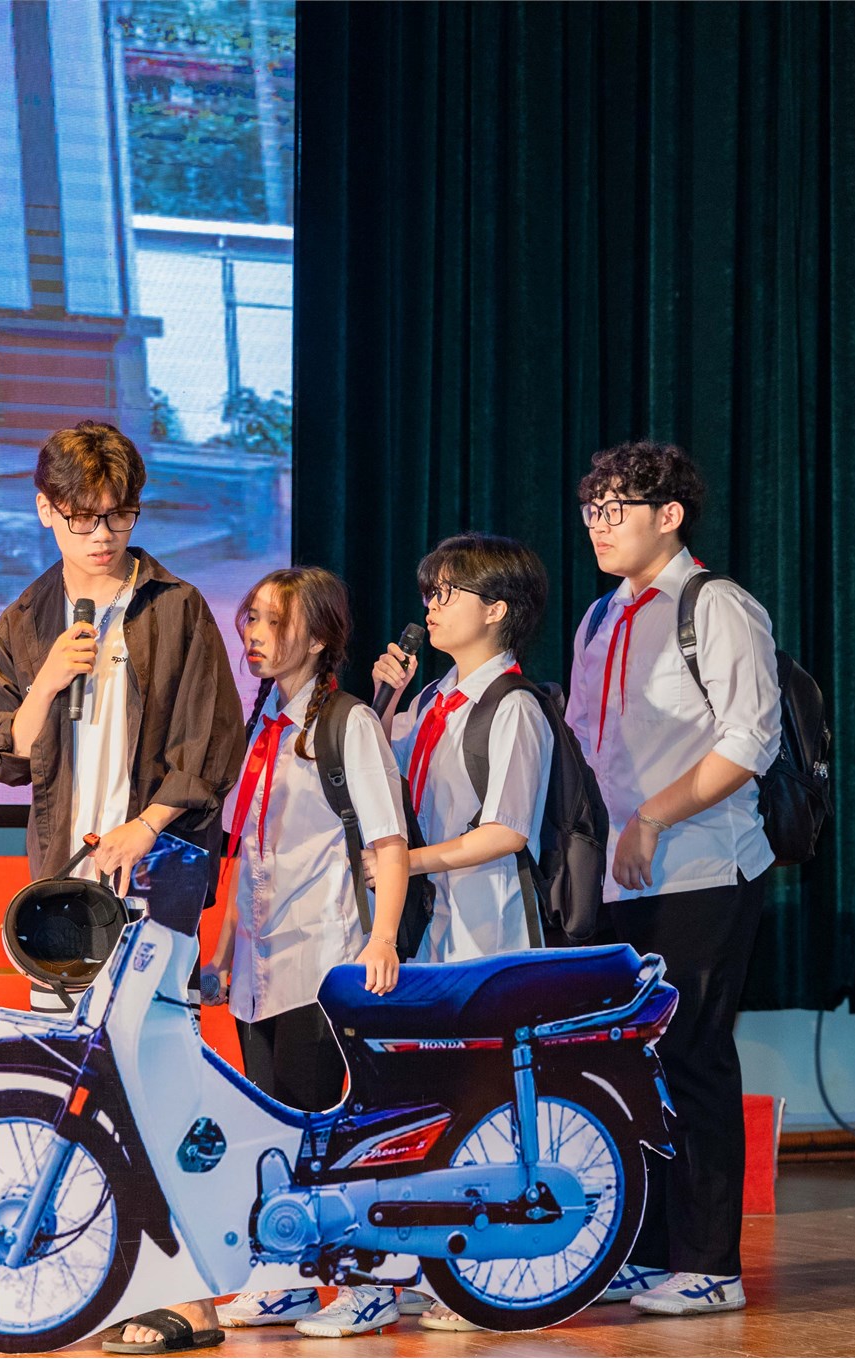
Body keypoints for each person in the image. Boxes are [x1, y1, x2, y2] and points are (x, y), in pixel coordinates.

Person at [128, 567, 414, 1350]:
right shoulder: (261, 724)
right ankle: (286, 1273)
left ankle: (367, 1283)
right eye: (250, 618)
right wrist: (222, 949)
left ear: (317, 637)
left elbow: (389, 842)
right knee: (274, 1126)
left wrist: (383, 939)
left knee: (331, 1125)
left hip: (326, 958)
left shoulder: (349, 723)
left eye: (271, 621)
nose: (252, 634)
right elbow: (248, 852)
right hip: (261, 965)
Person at [565, 440, 783, 1317]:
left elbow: (750, 739)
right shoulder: (596, 618)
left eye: (616, 509)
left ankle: (711, 1263)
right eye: (591, 510)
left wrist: (653, 815)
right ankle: (648, 1251)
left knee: (692, 1055)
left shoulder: (716, 605)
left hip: (701, 866)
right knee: (628, 1067)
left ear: (670, 515)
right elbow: (583, 743)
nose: (599, 526)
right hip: (616, 880)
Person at [367, 532, 553, 1333]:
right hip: (440, 929)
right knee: (442, 1098)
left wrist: (407, 862)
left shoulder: (514, 708)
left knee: (493, 1102)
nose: (431, 606)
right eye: (430, 592)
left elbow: (507, 830)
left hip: (496, 933)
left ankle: (492, 1275)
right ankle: (440, 1261)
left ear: (498, 610)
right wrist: (384, 702)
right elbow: (376, 783)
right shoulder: (431, 702)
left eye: (448, 592)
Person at [0, 420, 246, 891]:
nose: (102, 535)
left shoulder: (176, 607)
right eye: (83, 518)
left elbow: (211, 743)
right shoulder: (23, 621)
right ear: (46, 509)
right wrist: (46, 683)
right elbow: (8, 760)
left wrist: (145, 827)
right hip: (62, 864)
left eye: (118, 515)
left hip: (156, 860)